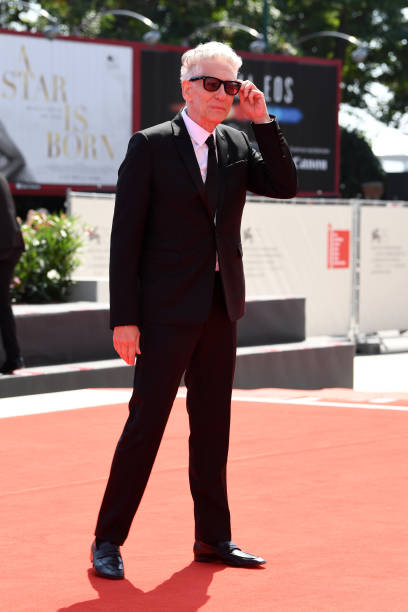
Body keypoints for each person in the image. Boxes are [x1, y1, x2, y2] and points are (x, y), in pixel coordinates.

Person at [91, 41, 297, 579]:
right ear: (186, 87)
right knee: (146, 425)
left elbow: (285, 185)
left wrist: (264, 122)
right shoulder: (151, 146)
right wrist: (124, 317)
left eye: (232, 86)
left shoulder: (234, 142)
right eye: (212, 84)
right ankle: (107, 540)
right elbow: (125, 239)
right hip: (161, 314)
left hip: (218, 308)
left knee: (213, 425)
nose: (223, 95)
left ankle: (213, 538)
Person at [0, 172, 25, 374]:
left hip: (3, 245)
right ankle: (14, 357)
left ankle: (14, 357)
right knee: (2, 303)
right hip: (12, 243)